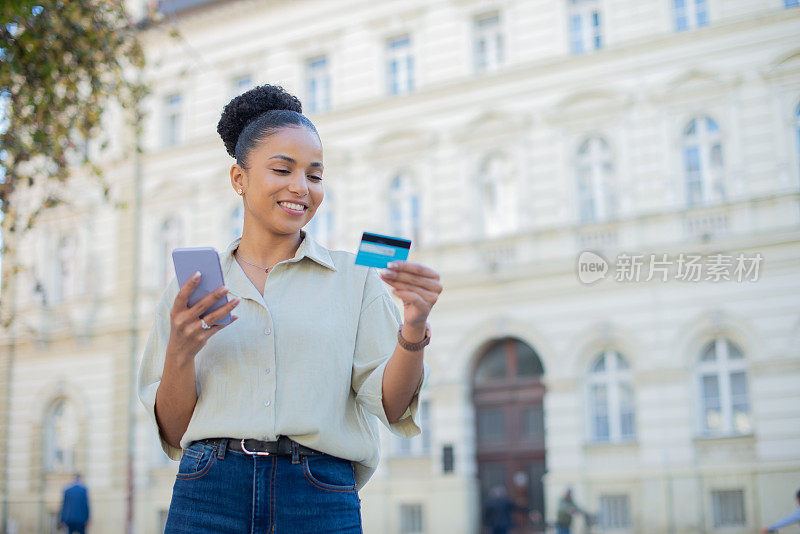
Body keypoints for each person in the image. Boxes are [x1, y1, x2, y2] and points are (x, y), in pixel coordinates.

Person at [137, 84, 440, 533]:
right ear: (239, 178)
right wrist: (180, 349)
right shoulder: (192, 288)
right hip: (209, 491)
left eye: (315, 176)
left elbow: (393, 408)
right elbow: (176, 430)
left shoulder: (356, 278)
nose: (301, 188)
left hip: (318, 496)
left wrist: (413, 329)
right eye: (283, 169)